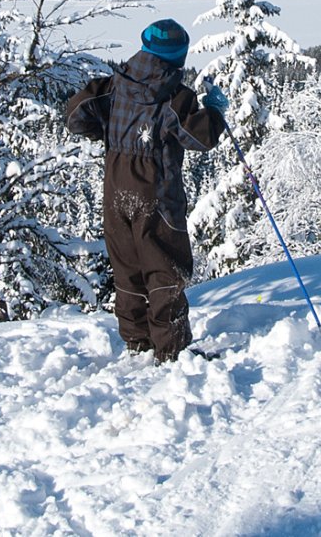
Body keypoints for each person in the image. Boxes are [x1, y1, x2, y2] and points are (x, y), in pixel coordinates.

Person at [64, 19, 229, 363]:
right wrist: (215, 112)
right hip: (157, 194)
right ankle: (171, 349)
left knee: (128, 267)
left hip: (116, 190)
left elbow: (75, 115)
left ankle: (137, 342)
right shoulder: (174, 98)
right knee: (164, 268)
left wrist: (108, 133)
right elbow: (200, 137)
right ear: (179, 57)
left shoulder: (113, 86)